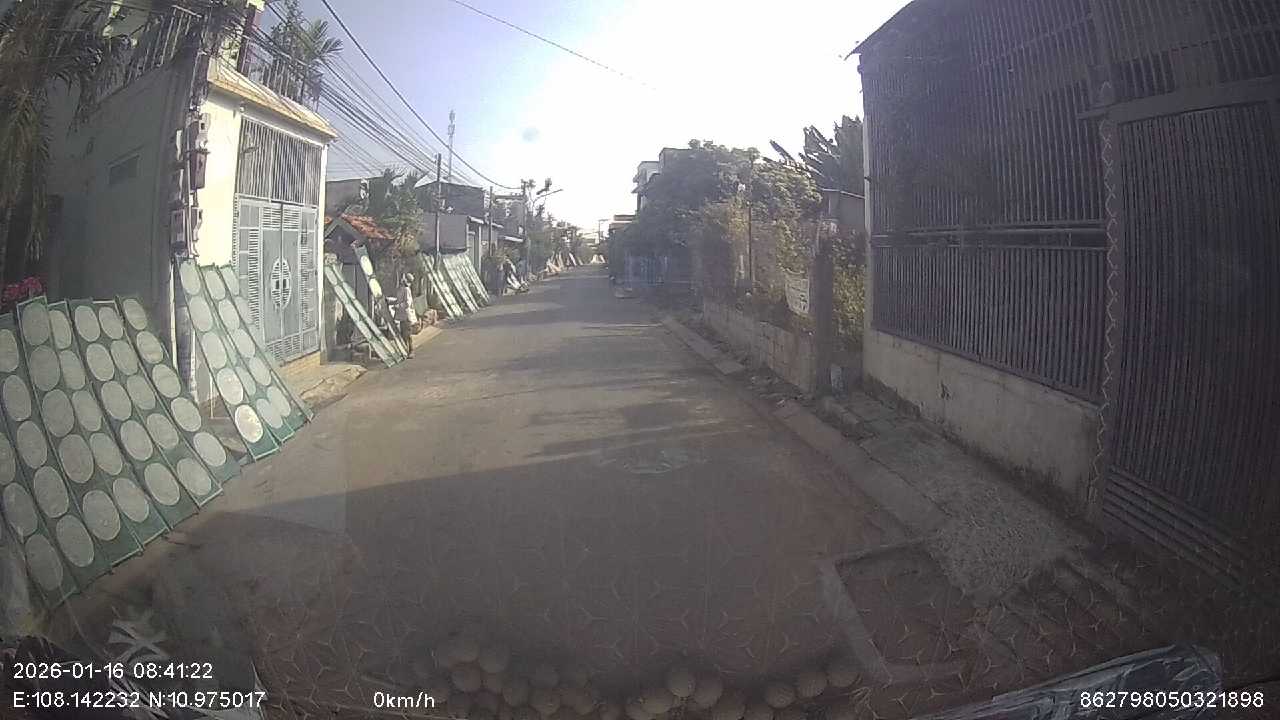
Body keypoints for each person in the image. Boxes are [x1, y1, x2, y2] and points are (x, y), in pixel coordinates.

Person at [389, 273, 417, 358]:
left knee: (407, 334)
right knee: (403, 334)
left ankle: (411, 351)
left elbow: (407, 303)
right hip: (401, 316)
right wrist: (390, 301)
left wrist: (398, 306)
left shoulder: (406, 289)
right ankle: (405, 350)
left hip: (406, 315)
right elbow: (398, 300)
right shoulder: (400, 289)